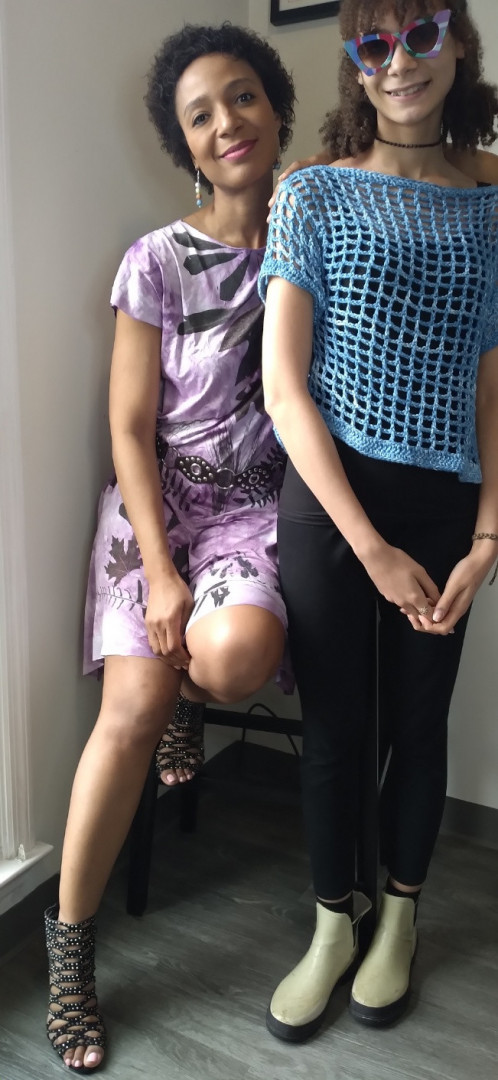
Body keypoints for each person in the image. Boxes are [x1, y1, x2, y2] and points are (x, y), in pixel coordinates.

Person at [43, 24, 296, 1071]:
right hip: (157, 505)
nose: (226, 122)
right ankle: (70, 955)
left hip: (251, 514)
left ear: (275, 108)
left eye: (243, 97)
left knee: (232, 658)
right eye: (200, 115)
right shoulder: (155, 260)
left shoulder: (315, 241)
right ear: (183, 144)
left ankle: (196, 693)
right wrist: (157, 570)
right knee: (132, 709)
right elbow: (127, 428)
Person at [260, 0, 498, 1043]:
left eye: (421, 34)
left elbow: (494, 387)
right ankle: (331, 923)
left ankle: (399, 913)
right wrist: (370, 548)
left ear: (460, 42)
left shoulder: (492, 202)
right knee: (332, 727)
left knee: (419, 720)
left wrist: (488, 539)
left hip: (445, 503)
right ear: (356, 65)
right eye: (374, 43)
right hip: (330, 507)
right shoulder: (310, 193)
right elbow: (284, 388)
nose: (399, 61)